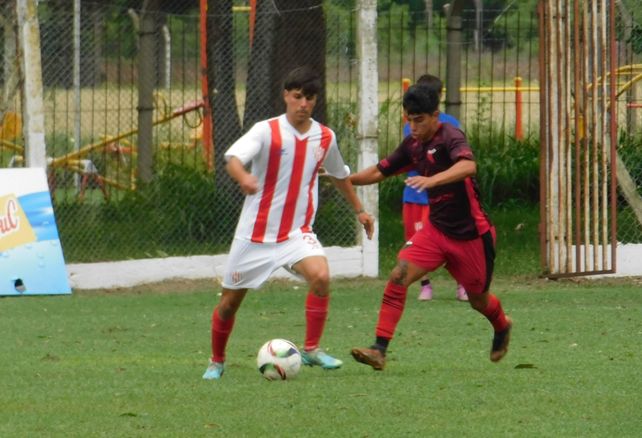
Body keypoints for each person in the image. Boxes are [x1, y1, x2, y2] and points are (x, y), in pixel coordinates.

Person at [203, 66, 375, 380]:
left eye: (309, 98)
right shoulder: (265, 131)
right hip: (254, 235)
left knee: (321, 277)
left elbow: (339, 175)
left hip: (296, 233)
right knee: (228, 304)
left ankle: (311, 349)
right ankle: (216, 361)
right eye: (297, 97)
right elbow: (233, 159)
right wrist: (243, 178)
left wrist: (360, 211)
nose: (303, 104)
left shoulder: (324, 137)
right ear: (286, 96)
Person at [349, 84, 512, 371]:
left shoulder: (451, 136)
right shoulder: (413, 144)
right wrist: (343, 179)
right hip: (436, 232)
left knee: (478, 299)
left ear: (435, 115)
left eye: (420, 119)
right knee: (398, 275)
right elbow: (378, 171)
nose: (413, 126)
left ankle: (501, 325)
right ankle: (379, 350)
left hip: (471, 236)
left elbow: (468, 166)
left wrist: (431, 181)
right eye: (409, 119)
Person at [402, 74, 467, 302]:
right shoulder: (411, 126)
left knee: (448, 240)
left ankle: (450, 284)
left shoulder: (450, 125)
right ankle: (441, 286)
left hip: (440, 196)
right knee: (418, 241)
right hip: (415, 194)